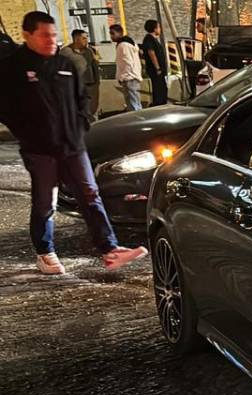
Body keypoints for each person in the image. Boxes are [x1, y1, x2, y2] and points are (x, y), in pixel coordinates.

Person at [0, 12, 147, 275]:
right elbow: (6, 108)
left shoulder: (65, 64)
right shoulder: (14, 68)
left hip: (73, 146)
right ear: (27, 35)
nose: (51, 40)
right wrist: (28, 134)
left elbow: (81, 99)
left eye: (54, 35)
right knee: (46, 202)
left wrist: (81, 125)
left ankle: (109, 249)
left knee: (91, 196)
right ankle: (45, 252)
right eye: (44, 35)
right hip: (40, 149)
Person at [62, 29, 100, 121]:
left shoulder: (89, 51)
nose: (86, 40)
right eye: (83, 38)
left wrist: (97, 82)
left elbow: (94, 66)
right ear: (76, 39)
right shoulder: (66, 52)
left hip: (90, 85)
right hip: (74, 87)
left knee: (93, 109)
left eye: (86, 38)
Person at [109, 23, 141, 111]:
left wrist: (122, 77)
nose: (111, 36)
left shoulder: (123, 45)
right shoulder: (129, 43)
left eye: (113, 33)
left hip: (129, 78)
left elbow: (128, 62)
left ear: (119, 33)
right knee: (133, 102)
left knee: (133, 103)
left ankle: (137, 121)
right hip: (131, 76)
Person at [141, 19, 168, 106]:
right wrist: (157, 67)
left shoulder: (154, 39)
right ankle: (159, 105)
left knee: (162, 88)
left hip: (159, 70)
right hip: (156, 70)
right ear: (155, 29)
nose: (160, 29)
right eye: (159, 27)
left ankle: (162, 103)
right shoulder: (149, 39)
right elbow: (151, 53)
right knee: (158, 89)